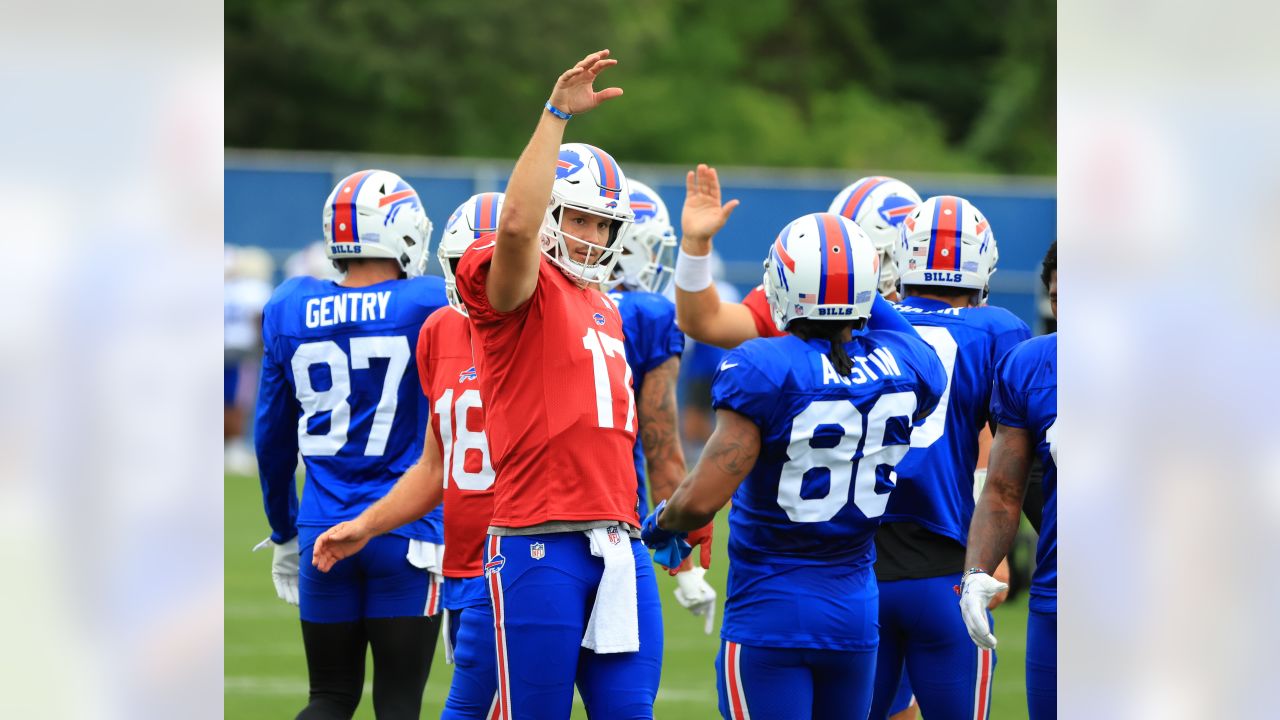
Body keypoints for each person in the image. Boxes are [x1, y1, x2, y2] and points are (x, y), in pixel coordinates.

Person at [642, 211, 947, 720]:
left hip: (771, 611)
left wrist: (661, 523)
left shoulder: (764, 364)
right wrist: (853, 282)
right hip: (853, 613)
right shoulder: (909, 365)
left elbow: (701, 499)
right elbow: (888, 327)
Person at [458, 49, 669, 720]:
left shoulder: (608, 302)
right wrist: (555, 117)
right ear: (552, 212)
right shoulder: (520, 288)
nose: (591, 235)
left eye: (602, 223)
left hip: (618, 542)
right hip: (537, 542)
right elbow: (517, 227)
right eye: (577, 218)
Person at [253, 169, 447, 719]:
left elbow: (271, 440)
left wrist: (283, 528)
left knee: (329, 697)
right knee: (398, 704)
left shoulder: (290, 304)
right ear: (403, 231)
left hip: (321, 528)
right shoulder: (427, 301)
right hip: (405, 526)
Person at [865, 196, 1030, 719]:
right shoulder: (997, 329)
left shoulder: (867, 321)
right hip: (950, 565)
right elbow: (1012, 454)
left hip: (856, 564)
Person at [608, 178, 718, 629]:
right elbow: (662, 450)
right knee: (625, 698)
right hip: (610, 523)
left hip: (514, 528)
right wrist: (685, 565)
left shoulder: (534, 303)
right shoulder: (646, 313)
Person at [960, 240, 1057, 720]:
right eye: (1061, 297)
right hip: (1060, 596)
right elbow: (1003, 488)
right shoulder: (1032, 364)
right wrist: (979, 569)